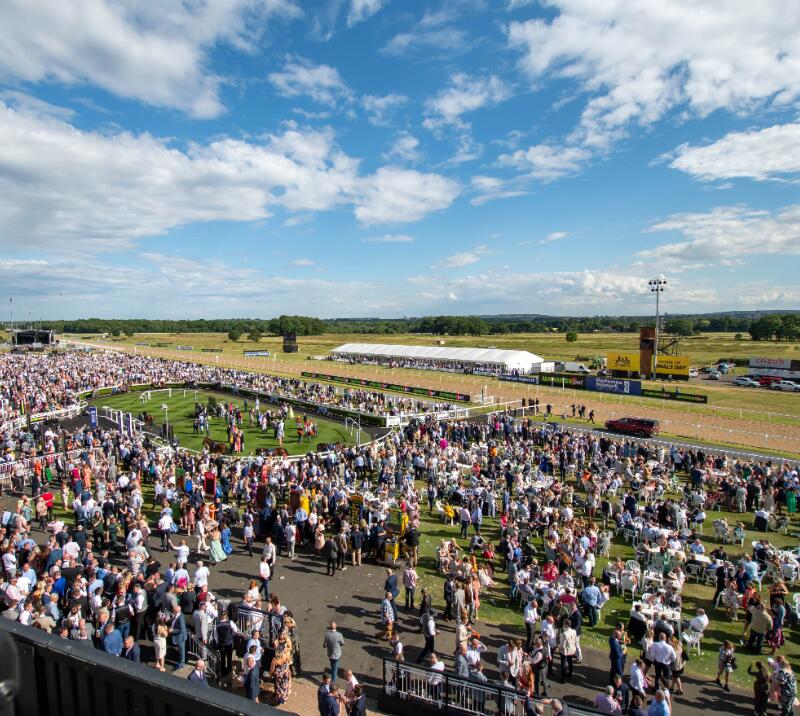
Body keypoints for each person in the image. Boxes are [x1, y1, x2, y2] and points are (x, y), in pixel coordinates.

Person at [169, 604, 187, 670]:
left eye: (173, 610)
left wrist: (172, 630)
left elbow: (181, 629)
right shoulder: (178, 614)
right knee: (180, 650)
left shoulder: (180, 618)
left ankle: (181, 663)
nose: (172, 611)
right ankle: (180, 661)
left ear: (175, 611)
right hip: (178, 637)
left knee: (182, 651)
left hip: (180, 637)